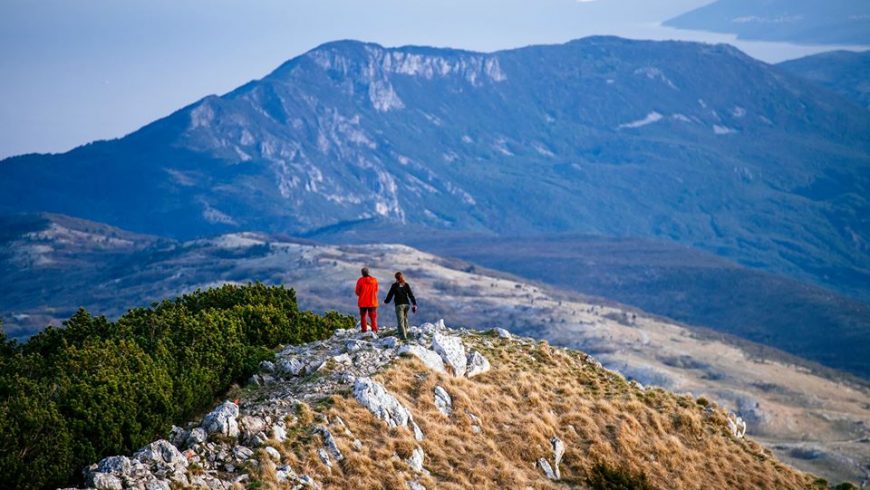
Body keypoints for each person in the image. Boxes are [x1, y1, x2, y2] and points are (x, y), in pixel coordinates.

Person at [384, 271, 417, 341]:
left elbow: (390, 295)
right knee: (404, 319)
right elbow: (411, 295)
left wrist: (386, 301)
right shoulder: (406, 285)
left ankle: (403, 338)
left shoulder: (394, 285)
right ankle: (406, 331)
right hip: (407, 305)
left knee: (400, 321)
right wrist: (414, 304)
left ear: (396, 278)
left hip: (399, 305)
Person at [355, 267, 379, 334]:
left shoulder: (360, 280)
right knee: (373, 317)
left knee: (363, 316)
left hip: (363, 302)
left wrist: (362, 294)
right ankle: (374, 330)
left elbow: (357, 292)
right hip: (372, 302)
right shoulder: (374, 280)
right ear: (368, 272)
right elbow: (376, 290)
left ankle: (364, 330)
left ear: (362, 273)